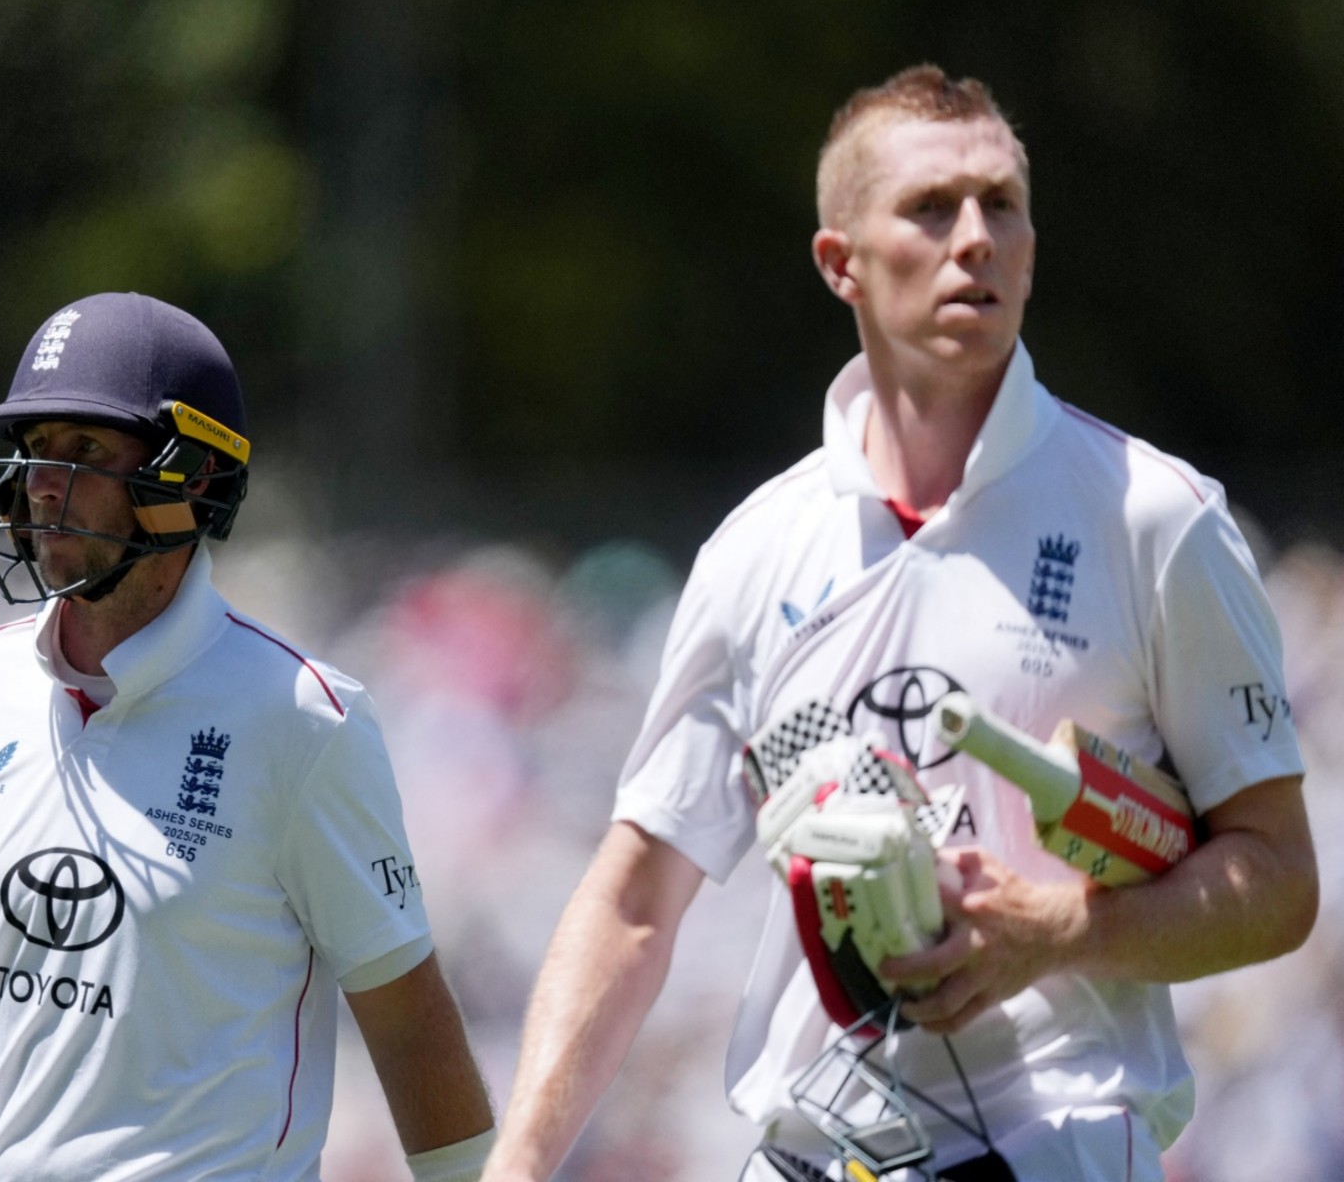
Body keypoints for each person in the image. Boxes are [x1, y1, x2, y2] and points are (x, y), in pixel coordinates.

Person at [479, 65, 1317, 1182]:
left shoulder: (1153, 516)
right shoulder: (756, 549)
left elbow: (1279, 881)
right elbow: (634, 902)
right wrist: (518, 1165)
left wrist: (1064, 932)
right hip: (808, 1159)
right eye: (930, 208)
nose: (975, 239)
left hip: (1059, 1151)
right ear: (842, 264)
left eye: (1001, 205)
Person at [0, 292, 495, 1181]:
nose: (43, 482)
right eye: (35, 447)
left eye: (84, 451)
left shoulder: (304, 719)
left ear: (193, 478)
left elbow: (410, 1027)